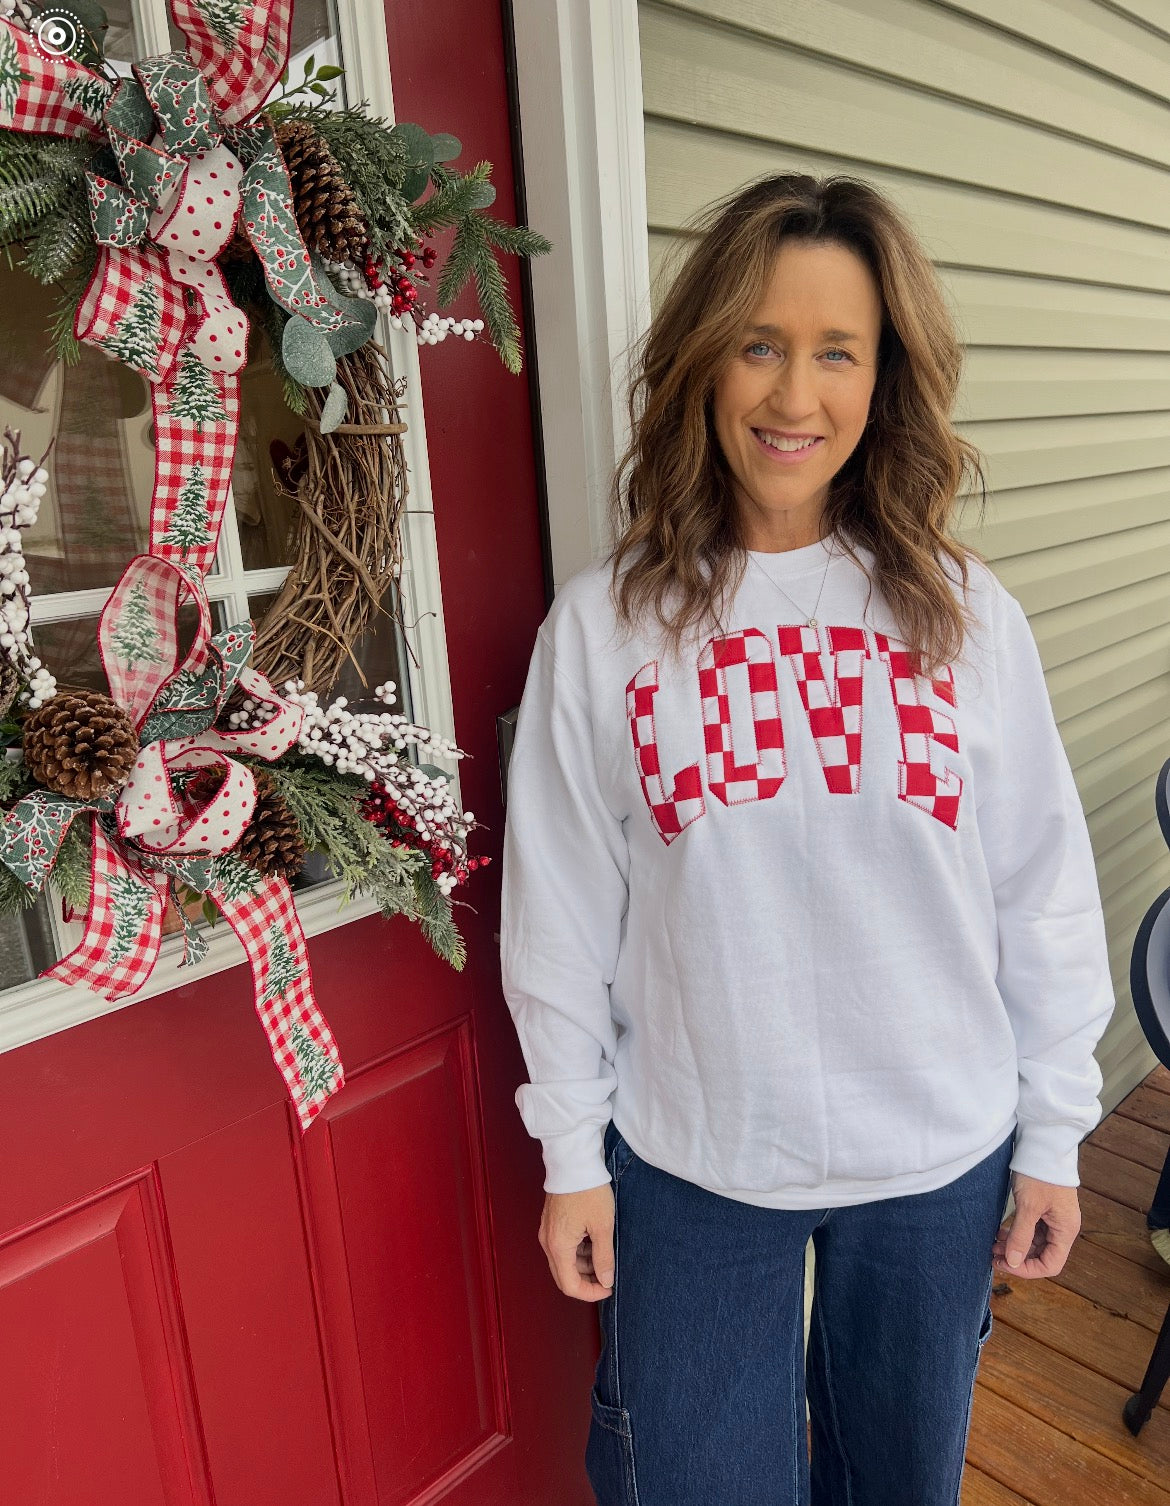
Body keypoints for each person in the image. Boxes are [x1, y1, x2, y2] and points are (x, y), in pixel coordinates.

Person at [499, 173, 1115, 1506]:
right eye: (758, 344)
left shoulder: (965, 618)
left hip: (935, 1160)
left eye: (835, 351)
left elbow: (1040, 887)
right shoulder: (604, 631)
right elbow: (556, 917)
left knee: (899, 1482)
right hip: (694, 1157)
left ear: (883, 377)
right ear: (701, 363)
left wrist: (1053, 1127)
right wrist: (568, 1154)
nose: (792, 396)